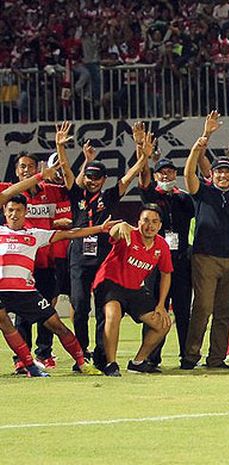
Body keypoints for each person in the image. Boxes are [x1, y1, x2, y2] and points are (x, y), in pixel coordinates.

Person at [0, 174, 115, 377]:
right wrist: (40, 175)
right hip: (1, 291)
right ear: (4, 212)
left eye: (19, 210)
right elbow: (7, 192)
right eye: (10, 210)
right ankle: (30, 366)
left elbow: (70, 234)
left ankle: (81, 362)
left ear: (26, 212)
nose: (14, 214)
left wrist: (100, 228)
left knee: (57, 326)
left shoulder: (36, 234)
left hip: (25, 292)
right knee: (5, 323)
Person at [61, 121, 151, 369]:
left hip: (104, 261)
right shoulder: (77, 195)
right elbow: (68, 171)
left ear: (103, 179)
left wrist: (142, 150)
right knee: (79, 306)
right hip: (79, 258)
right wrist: (61, 147)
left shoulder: (110, 195)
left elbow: (132, 174)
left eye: (96, 177)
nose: (92, 181)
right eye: (89, 176)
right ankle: (81, 353)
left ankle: (101, 354)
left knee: (103, 308)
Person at [0, 124, 74, 371]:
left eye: (30, 167)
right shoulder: (6, 192)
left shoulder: (52, 192)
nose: (25, 171)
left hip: (47, 261)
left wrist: (60, 148)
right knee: (19, 313)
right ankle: (22, 359)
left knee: (46, 311)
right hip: (14, 265)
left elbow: (69, 211)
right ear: (16, 170)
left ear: (37, 168)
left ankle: (45, 353)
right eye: (22, 167)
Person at [181, 111, 229, 370]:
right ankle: (191, 356)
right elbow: (189, 173)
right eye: (219, 172)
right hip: (206, 258)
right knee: (203, 307)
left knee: (224, 312)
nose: (223, 176)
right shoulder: (203, 192)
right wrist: (204, 137)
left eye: (227, 173)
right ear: (213, 174)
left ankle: (217, 358)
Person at [92, 205, 174, 376]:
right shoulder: (129, 234)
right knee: (113, 314)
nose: (149, 225)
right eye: (146, 220)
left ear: (159, 226)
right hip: (109, 283)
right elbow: (114, 232)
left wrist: (160, 304)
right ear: (138, 222)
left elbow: (166, 274)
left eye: (154, 222)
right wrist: (119, 226)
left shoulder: (162, 245)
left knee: (163, 323)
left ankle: (138, 362)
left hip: (134, 288)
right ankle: (111, 364)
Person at [138, 156, 194, 367]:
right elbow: (143, 180)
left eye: (170, 171)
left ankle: (187, 355)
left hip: (180, 262)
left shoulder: (184, 199)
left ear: (175, 175)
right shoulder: (152, 196)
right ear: (155, 175)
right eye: (161, 172)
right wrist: (142, 154)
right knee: (155, 309)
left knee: (182, 310)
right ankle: (152, 357)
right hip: (156, 263)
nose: (166, 175)